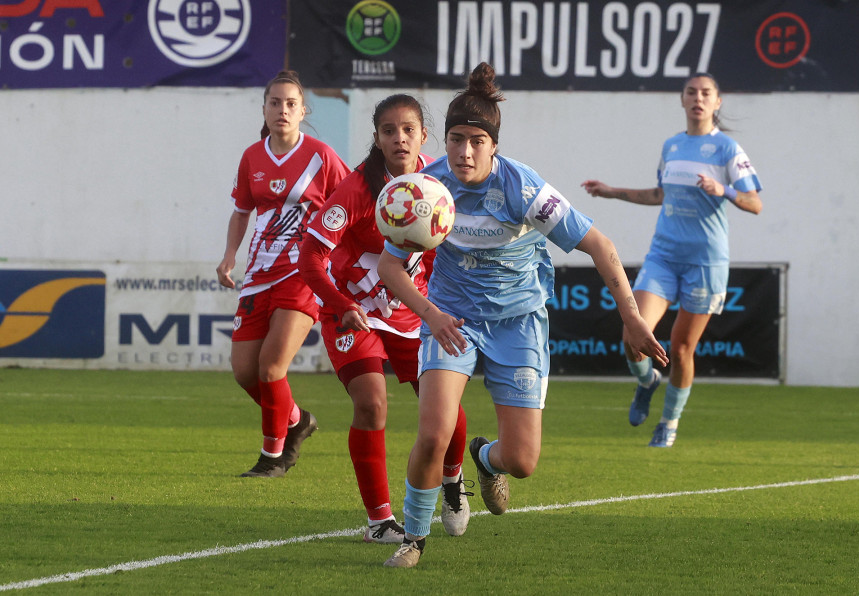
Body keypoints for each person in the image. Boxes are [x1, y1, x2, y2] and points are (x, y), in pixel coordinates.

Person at [377, 63, 668, 568]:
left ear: (494, 146)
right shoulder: (425, 189)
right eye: (454, 139)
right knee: (432, 430)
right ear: (442, 140)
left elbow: (599, 245)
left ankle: (486, 460)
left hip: (518, 323)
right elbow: (389, 264)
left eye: (476, 141)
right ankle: (414, 539)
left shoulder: (523, 189)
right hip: (452, 321)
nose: (464, 152)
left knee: (523, 461)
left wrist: (633, 318)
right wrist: (431, 313)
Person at [299, 94, 472, 543]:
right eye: (389, 131)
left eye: (408, 130)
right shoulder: (358, 188)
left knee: (446, 410)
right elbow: (311, 256)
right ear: (376, 139)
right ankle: (379, 521)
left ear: (423, 136)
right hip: (355, 313)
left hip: (413, 312)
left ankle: (453, 481)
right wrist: (340, 305)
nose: (399, 138)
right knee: (372, 403)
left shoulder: (439, 183)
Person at [582, 72, 763, 448]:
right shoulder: (672, 146)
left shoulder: (728, 149)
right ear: (682, 100)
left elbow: (755, 203)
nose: (698, 98)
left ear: (717, 102)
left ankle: (669, 422)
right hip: (664, 255)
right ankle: (647, 381)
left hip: (705, 262)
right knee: (633, 335)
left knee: (681, 349)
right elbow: (659, 194)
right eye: (691, 92)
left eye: (706, 93)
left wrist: (724, 189)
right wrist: (611, 192)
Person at [216, 70, 351, 477]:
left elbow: (350, 203)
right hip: (258, 274)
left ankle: (273, 457)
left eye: (291, 103)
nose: (283, 110)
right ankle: (297, 420)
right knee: (245, 372)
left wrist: (341, 262)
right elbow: (242, 212)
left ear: (303, 110)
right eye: (275, 103)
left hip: (303, 274)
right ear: (264, 108)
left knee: (271, 368)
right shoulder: (252, 156)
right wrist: (229, 257)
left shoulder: (321, 156)